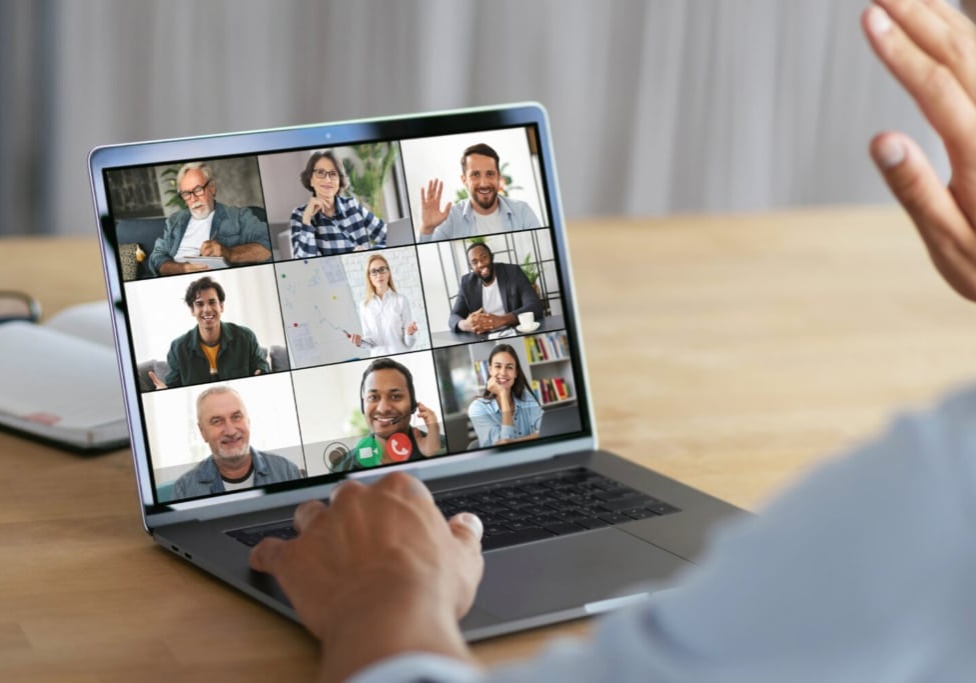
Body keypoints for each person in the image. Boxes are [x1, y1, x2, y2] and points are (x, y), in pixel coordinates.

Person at [249, 2, 976, 680]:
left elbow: (504, 314)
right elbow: (440, 321)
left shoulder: (935, 495)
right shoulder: (438, 278)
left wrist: (382, 601)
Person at [173, 385, 302, 499]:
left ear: (248, 422)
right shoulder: (185, 489)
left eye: (236, 417)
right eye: (217, 421)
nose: (230, 431)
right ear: (203, 432)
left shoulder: (286, 472)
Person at [148, 162, 272, 276]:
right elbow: (156, 257)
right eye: (186, 193)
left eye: (198, 190)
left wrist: (229, 253)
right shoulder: (174, 221)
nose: (193, 198)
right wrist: (182, 269)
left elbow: (269, 246)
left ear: (212, 188)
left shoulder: (238, 216)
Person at [149, 276, 269, 389]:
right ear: (192, 310)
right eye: (199, 304)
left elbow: (262, 368)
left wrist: (261, 375)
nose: (207, 309)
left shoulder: (245, 337)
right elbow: (174, 387)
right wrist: (165, 391)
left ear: (221, 306)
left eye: (212, 302)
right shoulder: (178, 348)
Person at [330, 358, 441, 472]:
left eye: (395, 396)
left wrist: (434, 457)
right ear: (363, 406)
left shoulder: (442, 446)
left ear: (413, 404)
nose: (383, 409)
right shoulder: (341, 467)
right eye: (373, 397)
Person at [419, 143, 542, 242]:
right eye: (475, 175)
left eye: (490, 174)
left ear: (498, 177)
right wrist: (427, 229)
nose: (483, 183)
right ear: (464, 180)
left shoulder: (522, 211)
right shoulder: (451, 218)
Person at [291, 150, 387, 257]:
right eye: (320, 173)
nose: (327, 180)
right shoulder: (300, 215)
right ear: (310, 180)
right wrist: (307, 221)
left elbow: (387, 235)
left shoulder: (352, 205)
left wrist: (371, 254)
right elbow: (305, 263)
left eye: (333, 174)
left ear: (339, 180)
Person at [449, 242, 543, 334]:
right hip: (484, 337)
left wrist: (502, 320)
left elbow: (534, 306)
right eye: (474, 262)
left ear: (491, 257)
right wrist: (466, 325)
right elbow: (453, 317)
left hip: (513, 331)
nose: (480, 264)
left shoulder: (513, 272)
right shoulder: (467, 283)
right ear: (471, 267)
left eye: (484, 257)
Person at [468, 343, 542, 447]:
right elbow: (504, 447)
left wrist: (515, 443)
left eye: (509, 367)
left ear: (515, 373)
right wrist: (503, 395)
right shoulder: (477, 408)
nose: (503, 372)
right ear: (490, 370)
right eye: (498, 366)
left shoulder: (526, 397)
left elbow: (545, 430)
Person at [345, 254, 419, 357]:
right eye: (374, 271)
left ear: (388, 273)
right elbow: (370, 343)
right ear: (369, 277)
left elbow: (409, 344)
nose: (379, 275)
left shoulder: (401, 300)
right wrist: (359, 342)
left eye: (382, 269)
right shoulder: (364, 305)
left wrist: (409, 333)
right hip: (379, 359)